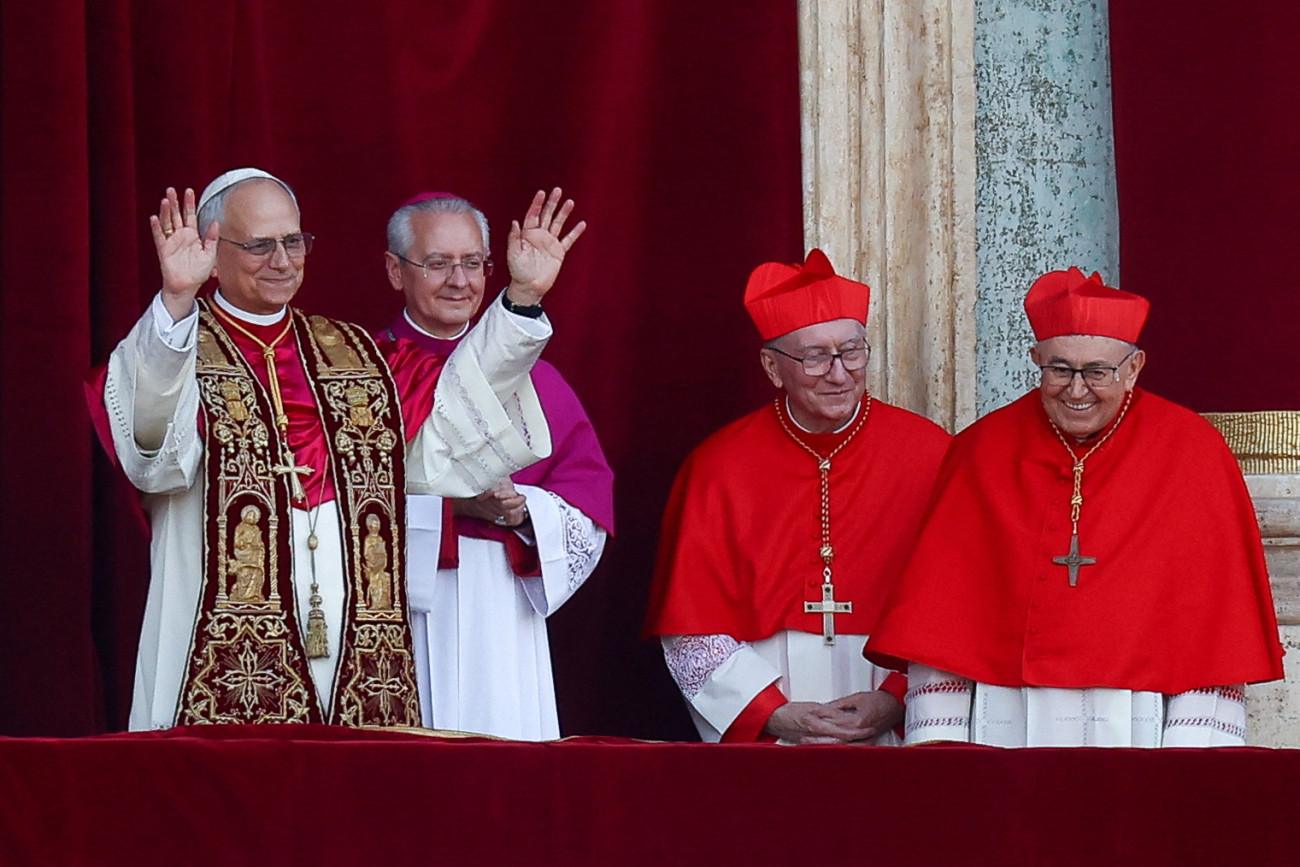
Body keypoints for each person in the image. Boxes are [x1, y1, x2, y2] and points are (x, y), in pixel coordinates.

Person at [101, 168, 583, 730]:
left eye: (293, 241)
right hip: (215, 646)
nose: (282, 261)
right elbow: (152, 446)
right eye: (259, 245)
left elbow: (459, 410)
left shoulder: (356, 355)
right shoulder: (173, 344)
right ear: (210, 253)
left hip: (351, 648)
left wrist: (522, 299)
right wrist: (177, 300)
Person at [865, 267, 1285, 747]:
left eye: (1097, 372)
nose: (1077, 389)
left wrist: (1191, 758)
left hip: (1143, 721)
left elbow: (1212, 626)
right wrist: (939, 745)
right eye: (1060, 370)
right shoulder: (981, 450)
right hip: (1006, 723)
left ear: (1134, 367)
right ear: (1036, 359)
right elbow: (941, 616)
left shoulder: (1192, 451)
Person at [644, 250, 950, 743]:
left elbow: (957, 606)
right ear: (772, 366)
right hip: (770, 712)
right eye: (815, 357)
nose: (838, 373)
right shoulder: (718, 467)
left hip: (897, 707)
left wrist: (897, 697)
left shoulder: (931, 453)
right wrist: (769, 713)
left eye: (852, 352)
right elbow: (691, 629)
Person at [380, 192, 614, 740]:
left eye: (472, 263)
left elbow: (588, 499)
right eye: (438, 263)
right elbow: (336, 502)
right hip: (398, 607)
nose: (459, 281)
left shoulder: (539, 382)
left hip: (501, 607)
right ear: (395, 270)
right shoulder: (364, 373)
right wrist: (453, 508)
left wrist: (522, 510)